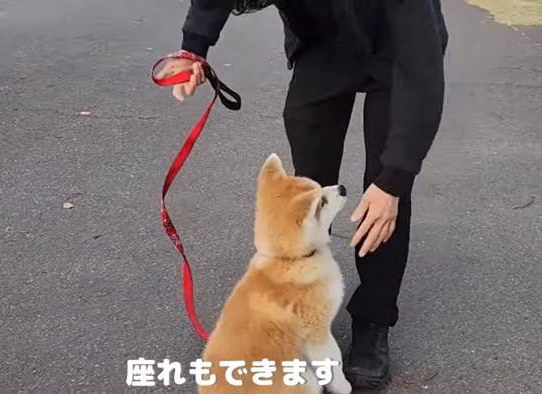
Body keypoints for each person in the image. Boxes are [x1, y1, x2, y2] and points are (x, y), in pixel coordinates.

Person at [156, 0, 448, 388]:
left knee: (384, 191)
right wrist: (194, 47)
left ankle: (374, 320)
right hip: (323, 44)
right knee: (306, 189)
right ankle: (301, 310)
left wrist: (393, 181)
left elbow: (421, 71)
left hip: (396, 49)